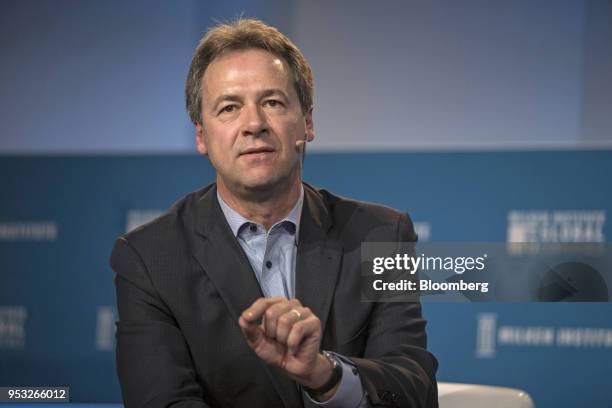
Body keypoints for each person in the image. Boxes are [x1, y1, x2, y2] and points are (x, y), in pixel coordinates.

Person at [110, 18, 438, 408]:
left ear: (307, 122)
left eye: (272, 102)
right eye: (229, 107)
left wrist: (325, 374)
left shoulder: (381, 236)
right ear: (202, 136)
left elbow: (413, 392)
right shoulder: (150, 258)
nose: (254, 124)